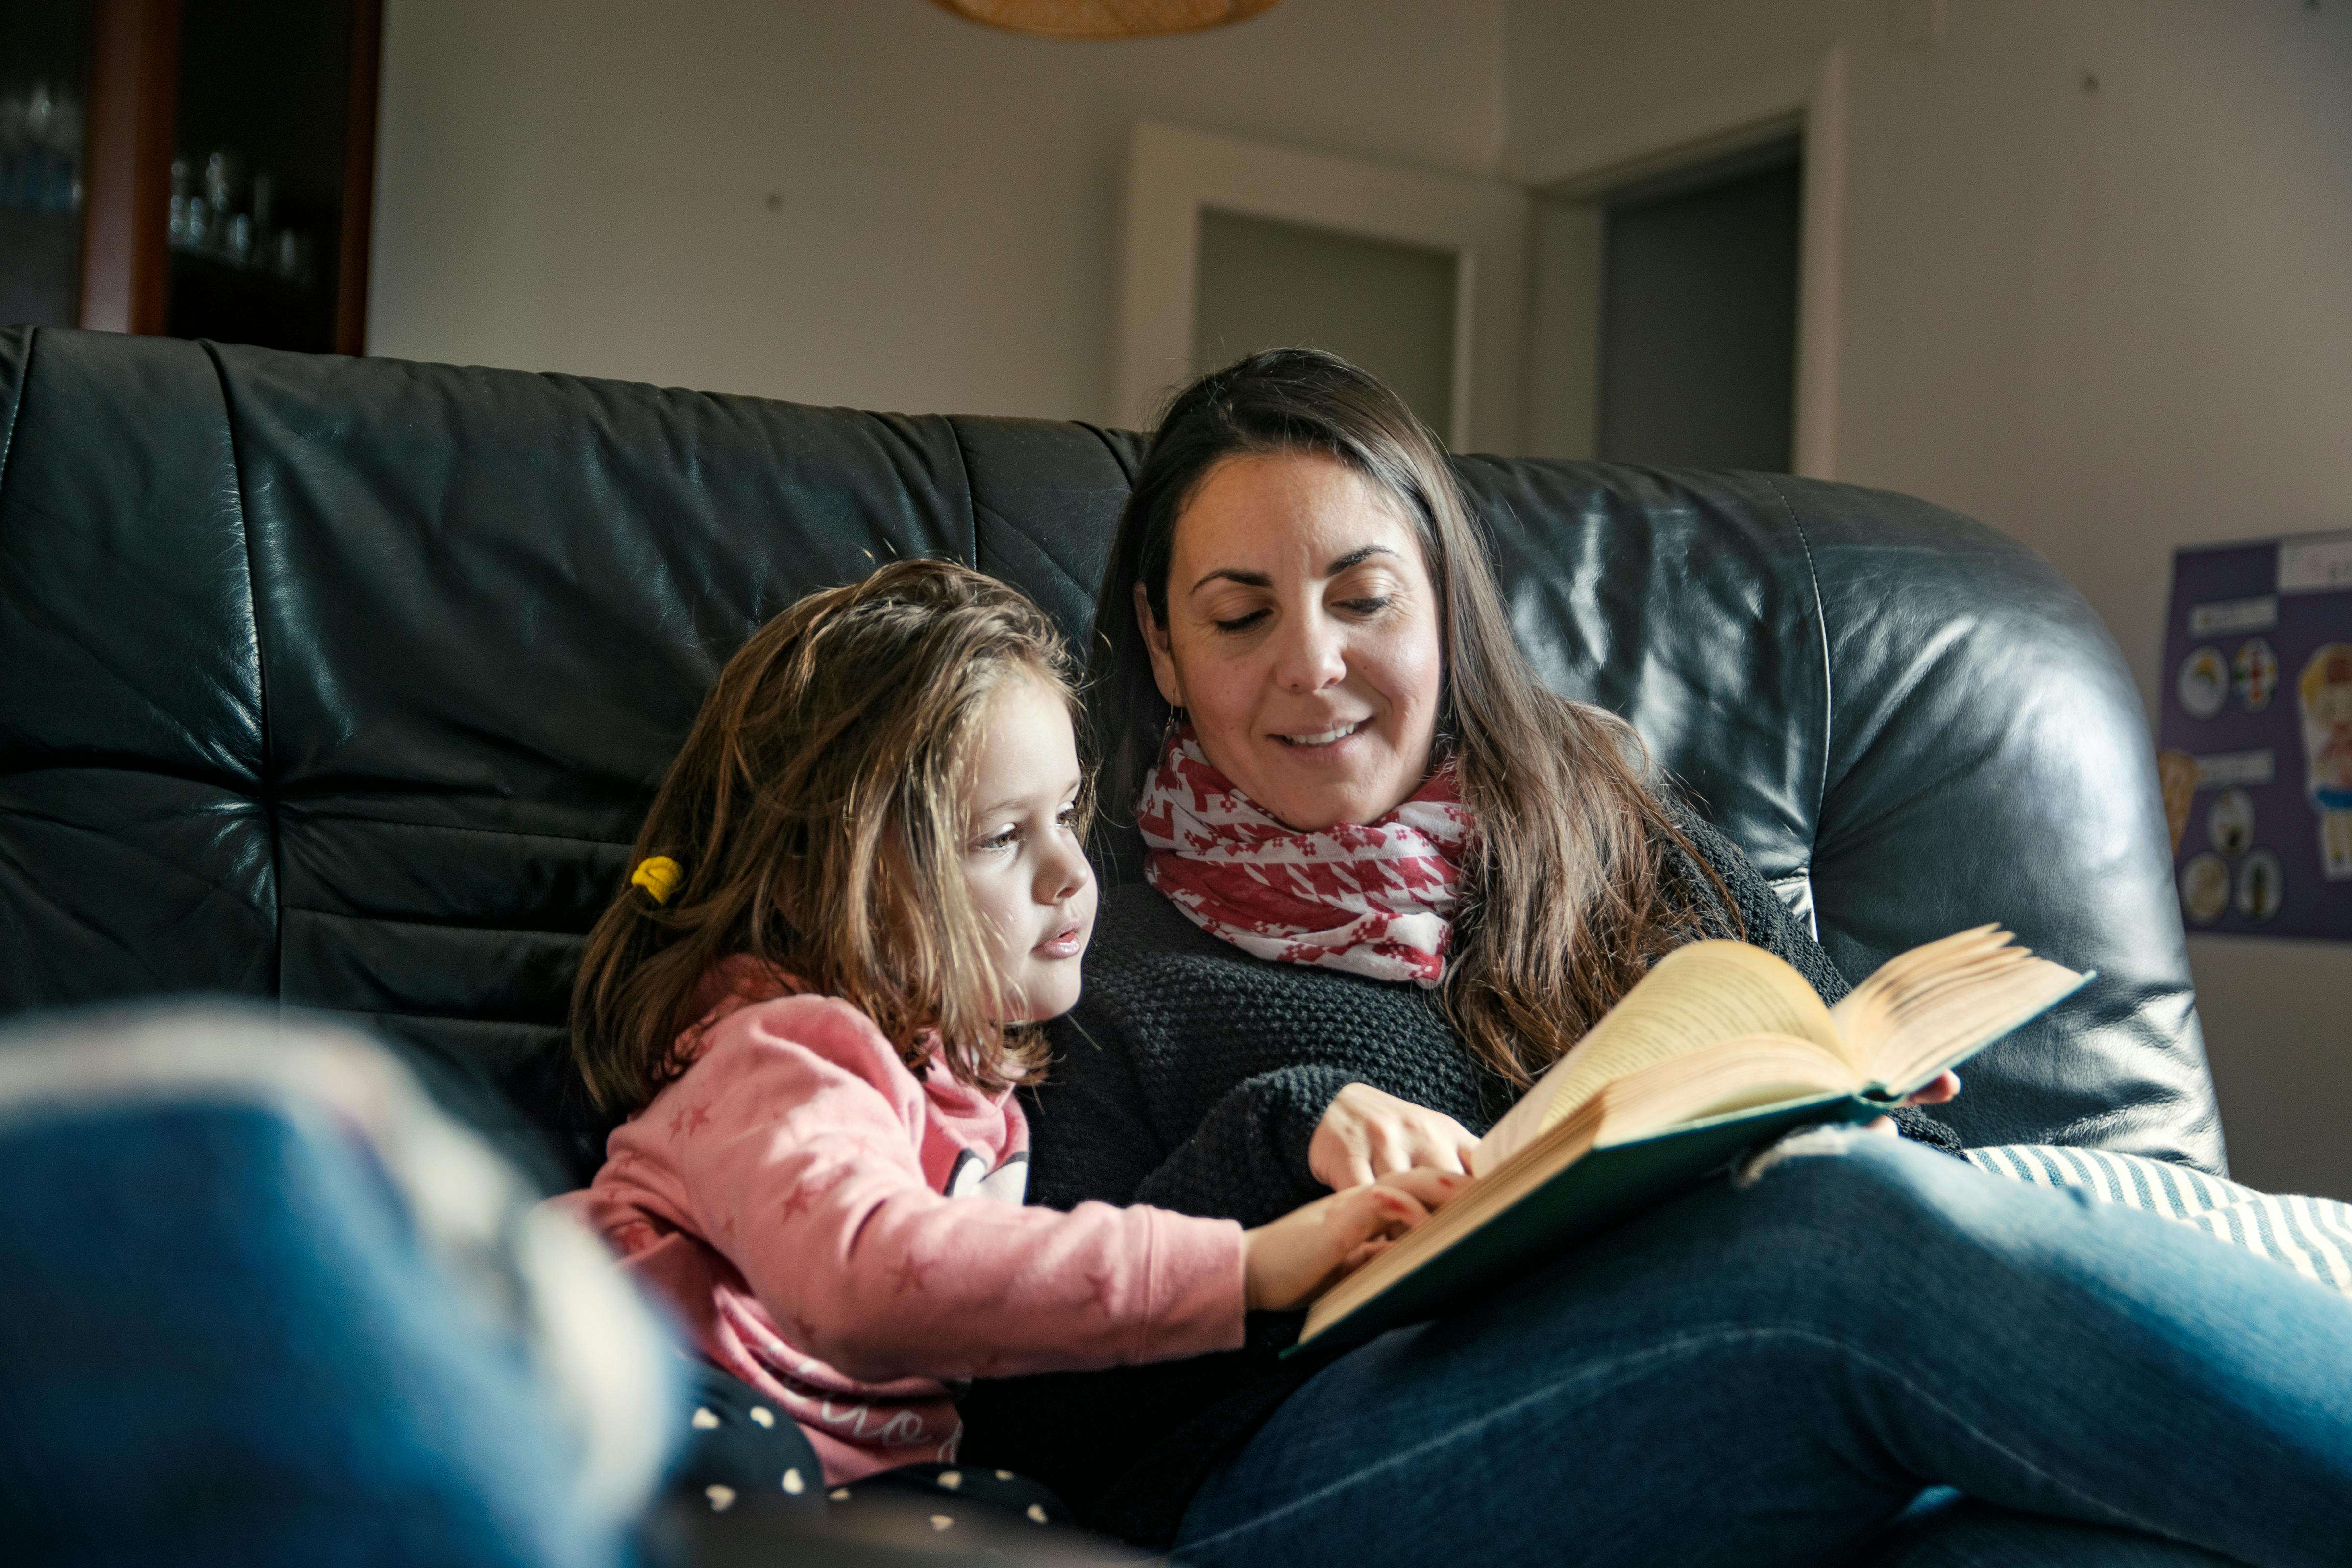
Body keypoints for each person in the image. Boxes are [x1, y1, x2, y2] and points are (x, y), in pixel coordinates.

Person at [953, 349, 2352, 1566]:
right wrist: (1287, 1140)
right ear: (1161, 638)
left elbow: (1882, 1143)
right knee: (1840, 1236)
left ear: (1442, 596)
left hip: (1734, 1423)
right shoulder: (1083, 935)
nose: (1311, 664)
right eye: (1242, 613)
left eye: (1363, 597)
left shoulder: (1611, 822)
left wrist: (1854, 1095)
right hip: (1295, 1478)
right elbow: (1038, 1412)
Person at [557, 559, 1458, 1515]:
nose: (1070, 872)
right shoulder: (784, 1057)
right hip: (638, 1406)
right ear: (820, 879)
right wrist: (1249, 1267)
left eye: (1067, 814)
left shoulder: (970, 1082)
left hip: (846, 1489)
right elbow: (869, 1277)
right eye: (998, 837)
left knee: (1018, 1513)